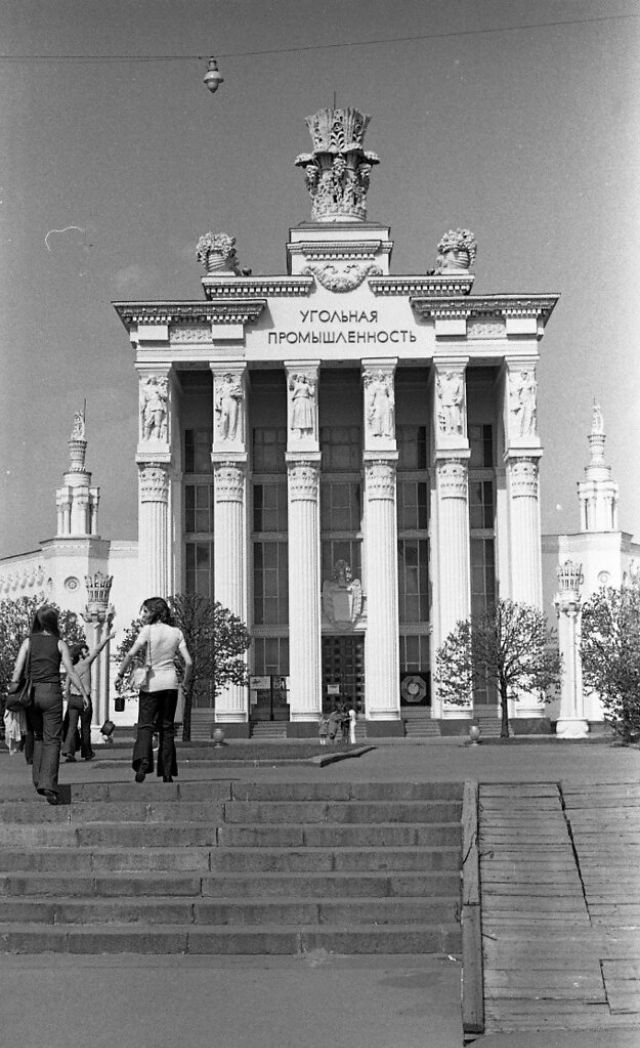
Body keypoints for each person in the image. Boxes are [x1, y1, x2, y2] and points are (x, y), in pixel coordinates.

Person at [10, 605, 90, 805]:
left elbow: (18, 669)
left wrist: (12, 693)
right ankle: (48, 784)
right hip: (52, 692)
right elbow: (71, 671)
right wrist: (83, 692)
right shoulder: (59, 643)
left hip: (32, 693)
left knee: (37, 736)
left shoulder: (28, 642)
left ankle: (37, 779)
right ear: (54, 622)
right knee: (52, 739)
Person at [115, 597, 192, 784]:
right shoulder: (176, 632)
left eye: (146, 611)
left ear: (155, 612)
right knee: (167, 728)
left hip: (151, 684)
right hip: (170, 684)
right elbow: (189, 662)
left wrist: (120, 674)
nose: (144, 615)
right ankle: (167, 773)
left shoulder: (147, 631)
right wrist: (185, 683)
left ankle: (143, 763)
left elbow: (131, 653)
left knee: (145, 725)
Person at [62, 632, 115, 762]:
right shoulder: (85, 663)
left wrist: (68, 698)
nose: (88, 653)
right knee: (86, 727)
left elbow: (66, 687)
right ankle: (87, 752)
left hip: (73, 699)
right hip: (84, 699)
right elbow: (97, 650)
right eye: (86, 651)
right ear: (80, 654)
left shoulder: (71, 668)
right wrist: (107, 638)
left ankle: (69, 751)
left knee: (71, 727)